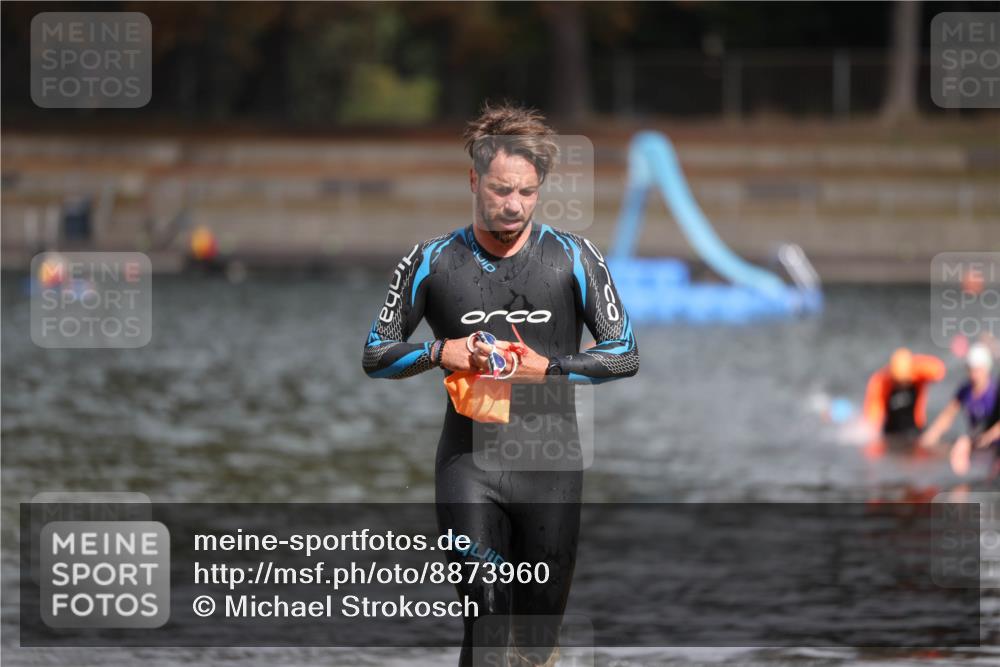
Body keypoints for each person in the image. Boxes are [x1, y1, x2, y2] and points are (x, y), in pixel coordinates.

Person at [362, 102, 638, 666]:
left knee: (534, 645)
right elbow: (375, 354)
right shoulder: (430, 260)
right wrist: (440, 352)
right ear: (474, 180)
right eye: (501, 189)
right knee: (486, 620)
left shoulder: (575, 256)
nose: (514, 205)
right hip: (469, 466)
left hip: (551, 470)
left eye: (527, 192)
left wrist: (550, 368)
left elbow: (624, 354)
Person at [920, 343, 1000, 478]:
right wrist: (928, 438)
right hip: (977, 441)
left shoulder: (995, 391)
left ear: (986, 369)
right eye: (970, 370)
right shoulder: (966, 390)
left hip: (993, 444)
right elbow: (948, 415)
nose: (973, 375)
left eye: (977, 370)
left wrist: (985, 438)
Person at [862, 347, 945, 452]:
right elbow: (873, 415)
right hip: (892, 434)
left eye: (905, 380)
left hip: (915, 429)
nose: (902, 385)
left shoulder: (918, 375)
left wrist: (915, 363)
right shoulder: (880, 382)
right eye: (898, 382)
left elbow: (938, 371)